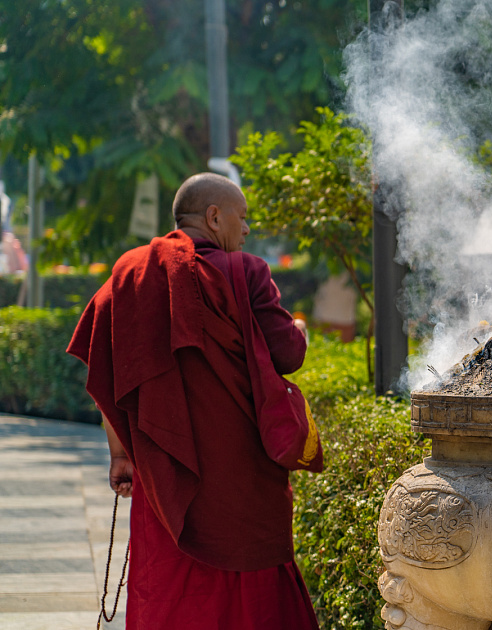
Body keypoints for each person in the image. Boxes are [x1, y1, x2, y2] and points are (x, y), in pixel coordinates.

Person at [67, 172, 321, 629]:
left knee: (172, 588)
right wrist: (299, 331)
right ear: (213, 216)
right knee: (251, 593)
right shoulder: (244, 272)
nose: (246, 231)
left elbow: (108, 371)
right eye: (241, 219)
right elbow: (288, 353)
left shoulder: (130, 275)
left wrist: (121, 456)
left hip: (165, 475)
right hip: (239, 478)